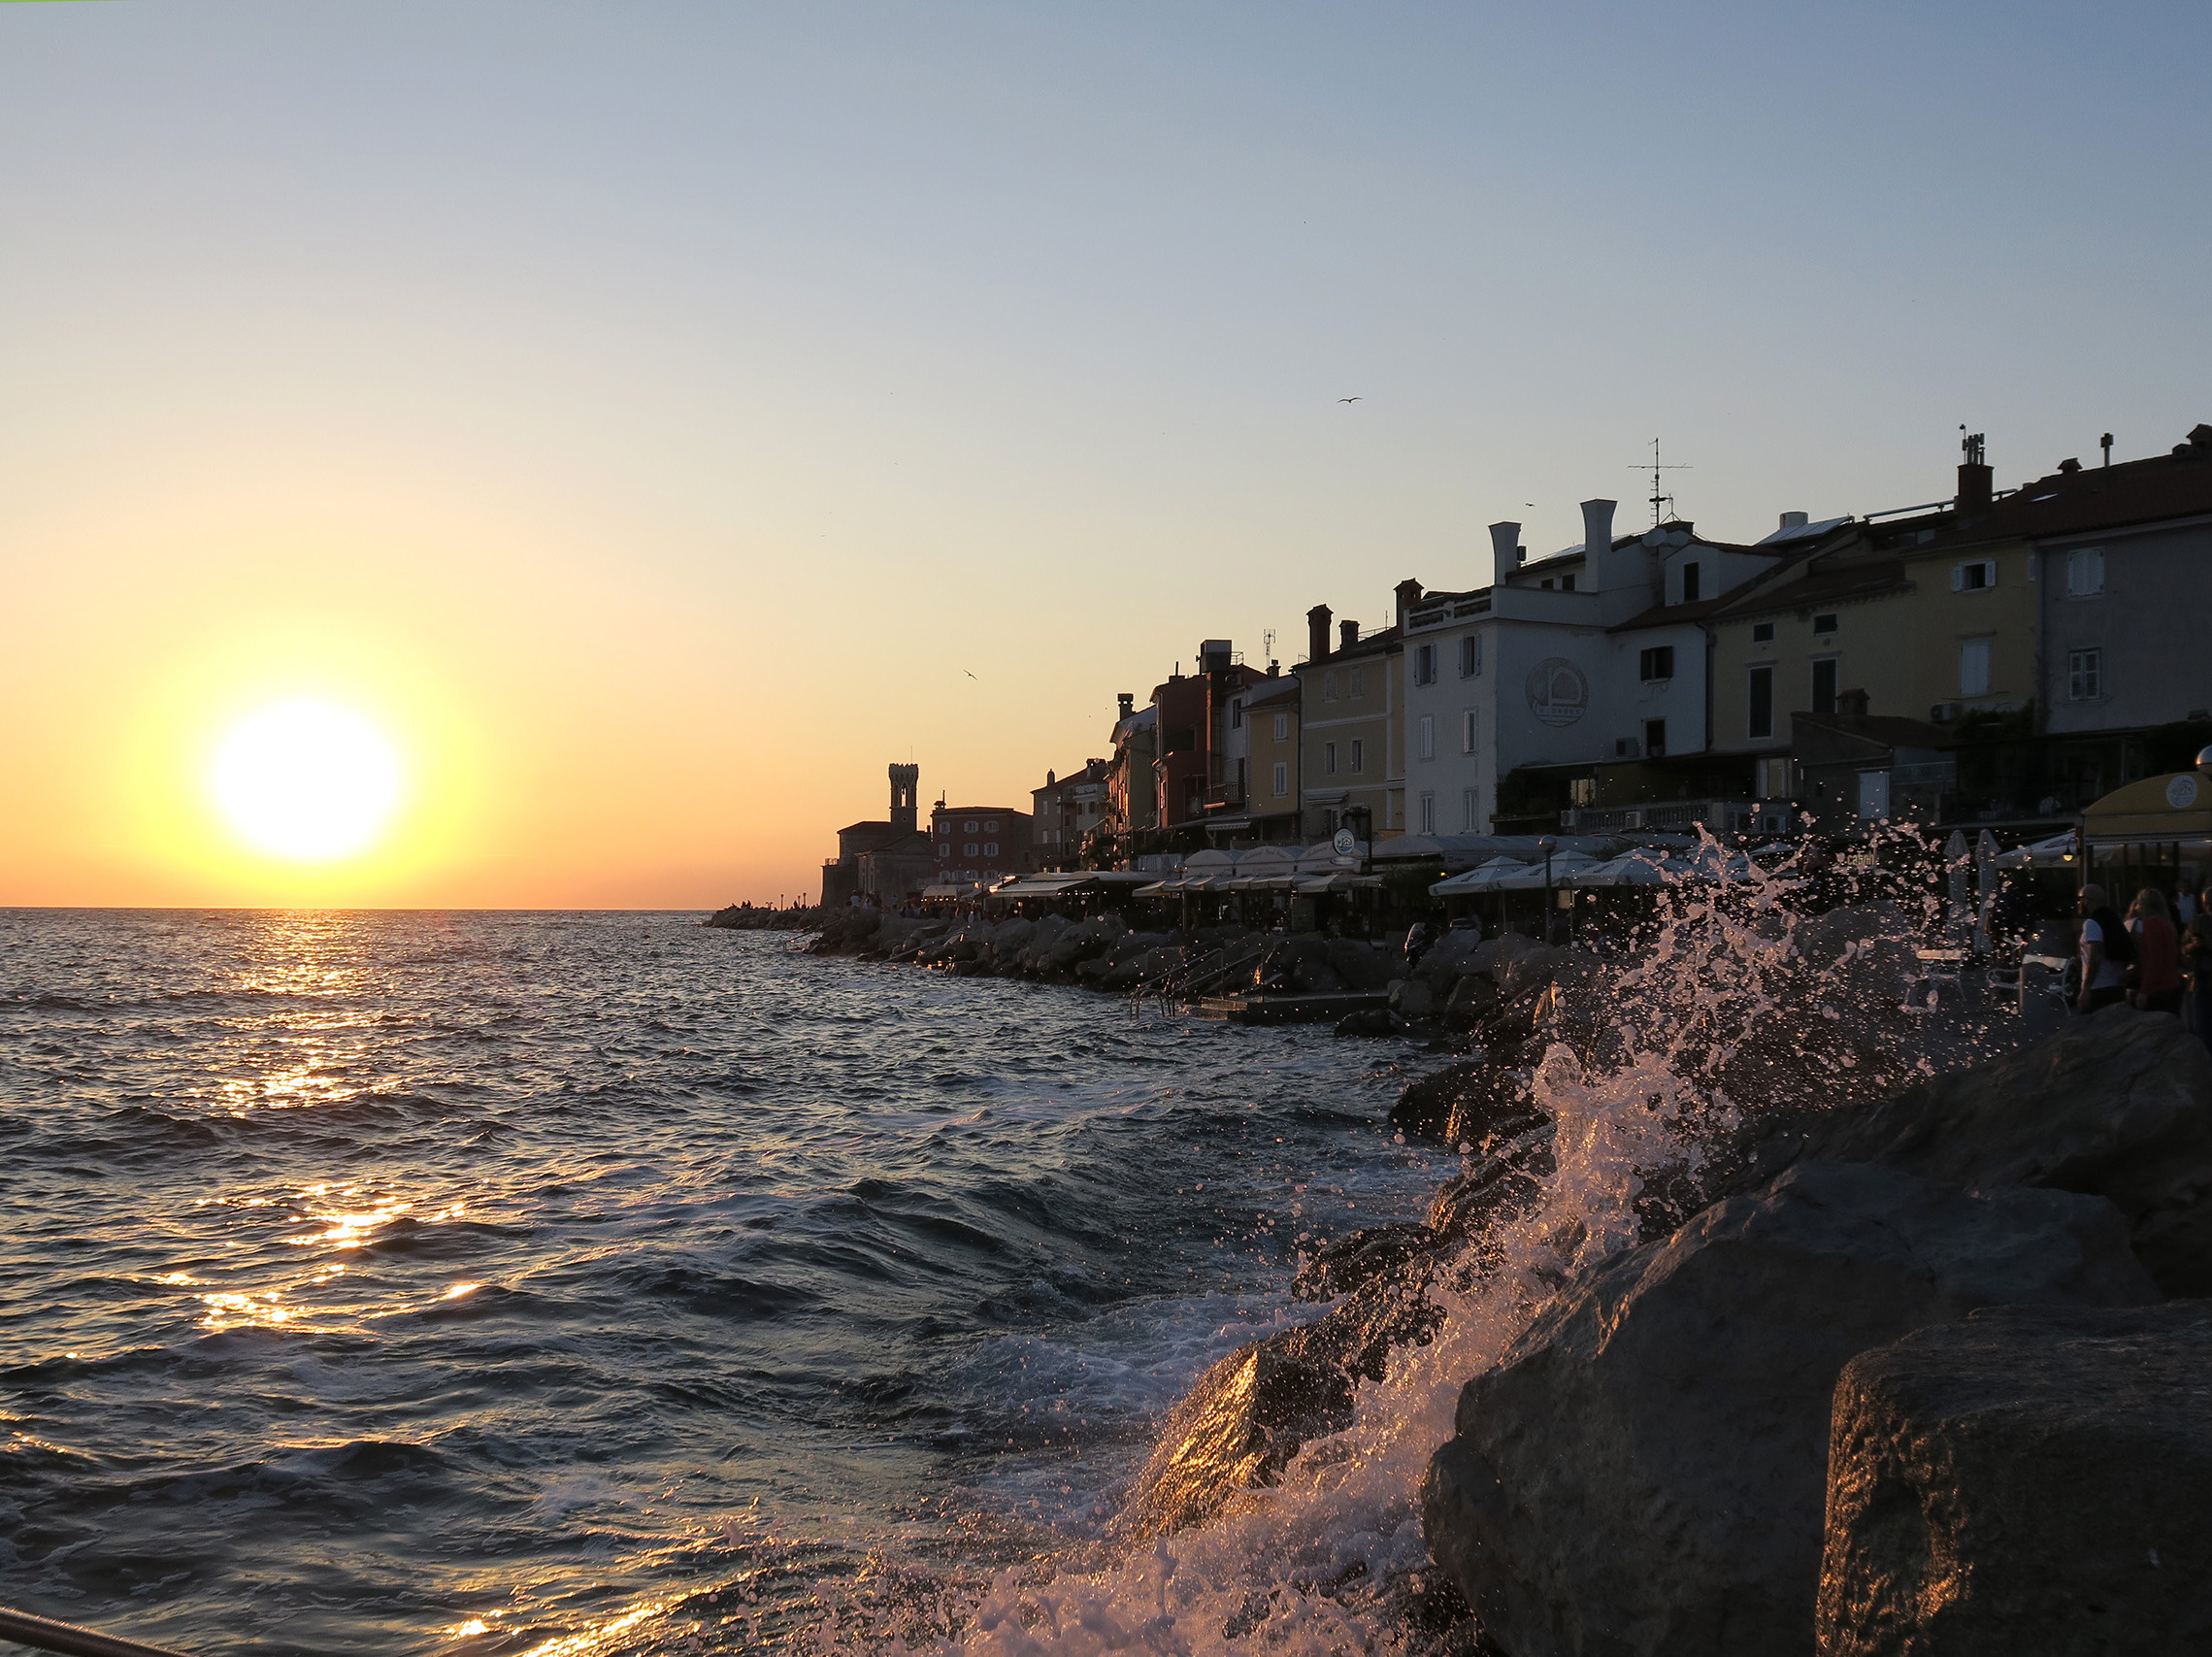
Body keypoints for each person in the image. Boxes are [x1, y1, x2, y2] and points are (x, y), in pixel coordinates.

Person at [2074, 883, 2134, 1014]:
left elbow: (2095, 957)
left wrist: (2085, 989)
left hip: (2098, 989)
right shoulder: (2113, 921)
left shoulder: (2091, 923)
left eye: (2079, 899)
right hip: (2116, 987)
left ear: (2086, 901)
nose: (2078, 903)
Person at [2127, 888, 2183, 1014]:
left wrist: (2144, 990)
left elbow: (2153, 959)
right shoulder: (2168, 926)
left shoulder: (2151, 925)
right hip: (2172, 984)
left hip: (2157, 988)